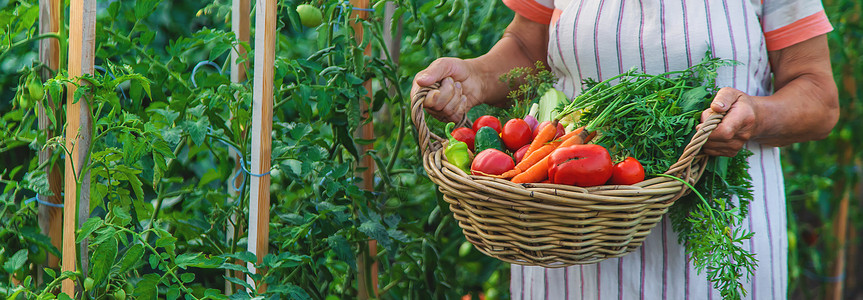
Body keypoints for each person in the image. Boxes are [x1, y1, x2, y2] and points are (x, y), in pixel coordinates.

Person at [411, 0, 839, 298]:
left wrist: (757, 116)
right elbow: (526, 49)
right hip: (567, 233)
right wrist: (475, 79)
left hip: (714, 236)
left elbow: (818, 97)